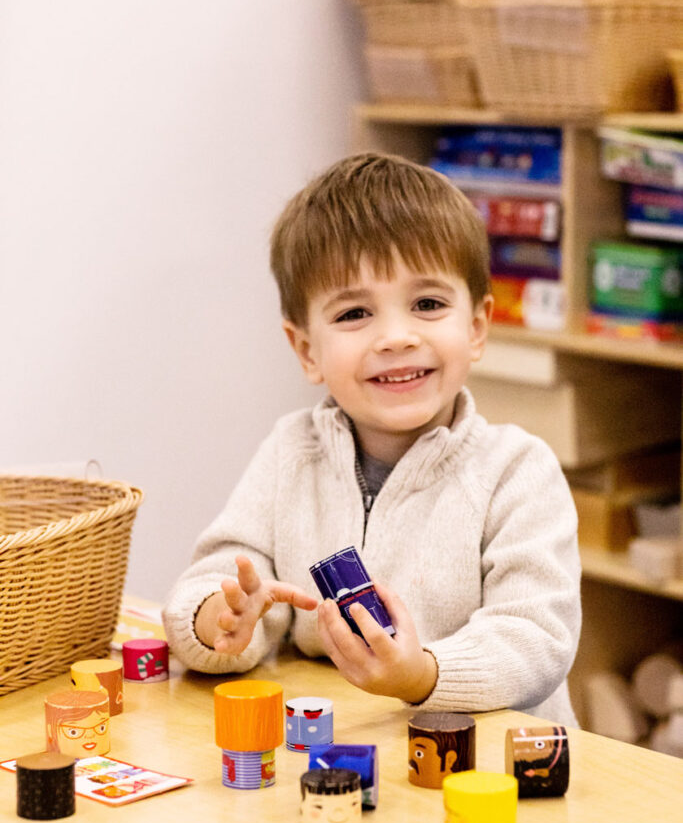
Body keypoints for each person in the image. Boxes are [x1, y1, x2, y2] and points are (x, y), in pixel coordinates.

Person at [162, 153, 581, 724]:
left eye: (428, 304)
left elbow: (536, 638)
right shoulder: (291, 452)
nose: (396, 337)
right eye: (355, 313)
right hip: (350, 748)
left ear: (476, 327)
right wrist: (221, 620)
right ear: (307, 349)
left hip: (495, 765)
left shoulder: (517, 470)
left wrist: (422, 674)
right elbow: (221, 576)